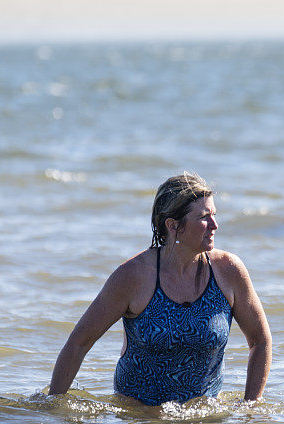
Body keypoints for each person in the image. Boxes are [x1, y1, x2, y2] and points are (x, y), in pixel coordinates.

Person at [48, 173, 271, 406]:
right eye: (204, 217)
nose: (215, 225)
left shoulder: (228, 271)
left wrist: (251, 407)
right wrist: (52, 405)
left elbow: (260, 341)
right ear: (173, 226)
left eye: (214, 214)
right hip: (138, 419)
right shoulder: (133, 276)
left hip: (204, 420)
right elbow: (78, 343)